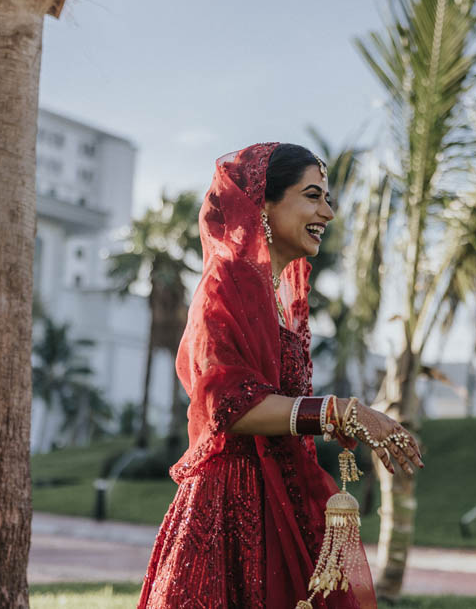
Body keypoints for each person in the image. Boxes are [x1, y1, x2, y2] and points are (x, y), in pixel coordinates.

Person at [138, 142, 423, 608]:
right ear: (263, 204)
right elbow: (230, 405)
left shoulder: (279, 303)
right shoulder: (225, 283)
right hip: (231, 506)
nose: (327, 213)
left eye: (327, 199)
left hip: (283, 494)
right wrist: (339, 413)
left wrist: (333, 419)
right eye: (313, 196)